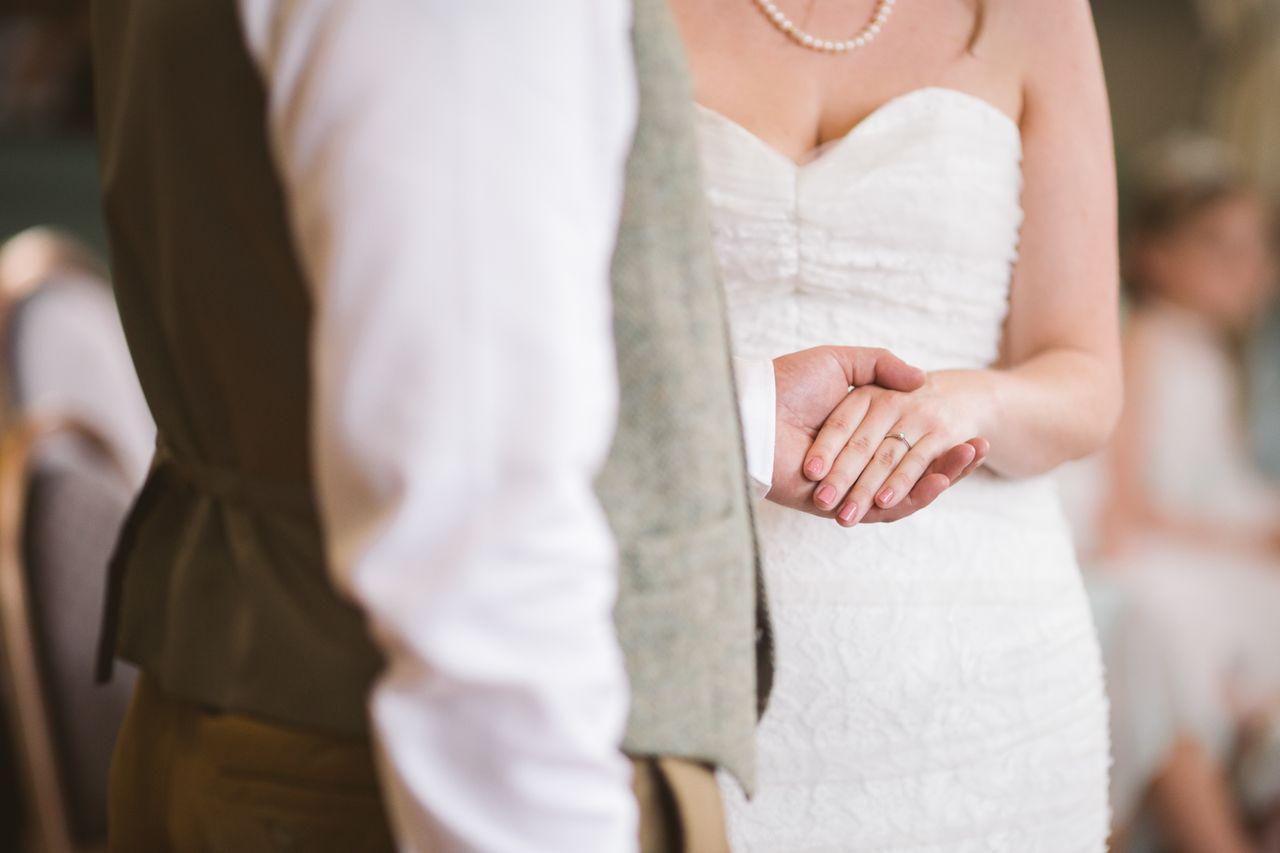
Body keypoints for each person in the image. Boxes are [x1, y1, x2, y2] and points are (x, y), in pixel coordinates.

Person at [90, 2, 983, 850]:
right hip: (395, 768)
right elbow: (470, 498)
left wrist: (735, 418)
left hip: (242, 707)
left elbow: (392, 344)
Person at [667, 0, 1122, 848]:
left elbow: (1086, 376)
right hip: (682, 641)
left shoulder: (1036, 17)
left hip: (986, 669)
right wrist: (736, 405)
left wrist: (963, 401)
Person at [1091, 136, 1280, 853]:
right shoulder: (1146, 343)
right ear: (1154, 252)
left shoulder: (1215, 358)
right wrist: (1247, 541)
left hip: (1209, 555)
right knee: (1172, 628)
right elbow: (1127, 503)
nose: (1246, 267)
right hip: (1151, 551)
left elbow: (1220, 483)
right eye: (1215, 244)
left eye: (1255, 247)